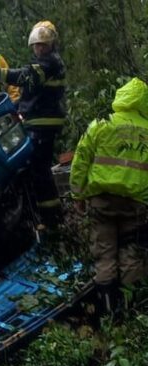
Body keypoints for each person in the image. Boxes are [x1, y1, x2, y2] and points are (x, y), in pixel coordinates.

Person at [69, 77, 148, 316]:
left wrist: (77, 195)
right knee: (131, 257)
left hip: (101, 202)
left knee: (104, 256)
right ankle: (133, 314)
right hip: (135, 205)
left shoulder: (101, 124)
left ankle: (108, 314)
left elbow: (80, 161)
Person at [0, 21, 66, 227]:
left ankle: (51, 220)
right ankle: (43, 216)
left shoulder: (49, 63)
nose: (39, 49)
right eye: (36, 45)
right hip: (36, 121)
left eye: (43, 45)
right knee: (36, 169)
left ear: (52, 45)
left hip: (43, 123)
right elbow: (29, 95)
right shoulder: (45, 64)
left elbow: (24, 77)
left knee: (38, 169)